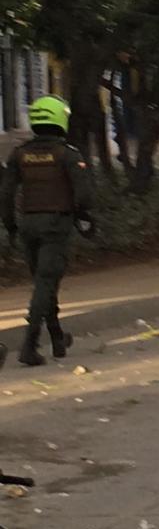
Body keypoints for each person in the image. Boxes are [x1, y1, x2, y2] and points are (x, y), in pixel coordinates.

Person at [2, 97, 93, 367]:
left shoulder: (20, 153)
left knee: (44, 282)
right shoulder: (68, 154)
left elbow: (6, 194)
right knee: (46, 282)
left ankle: (57, 339)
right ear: (60, 119)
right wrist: (84, 218)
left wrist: (10, 225)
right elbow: (84, 194)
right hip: (55, 225)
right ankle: (29, 344)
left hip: (28, 224)